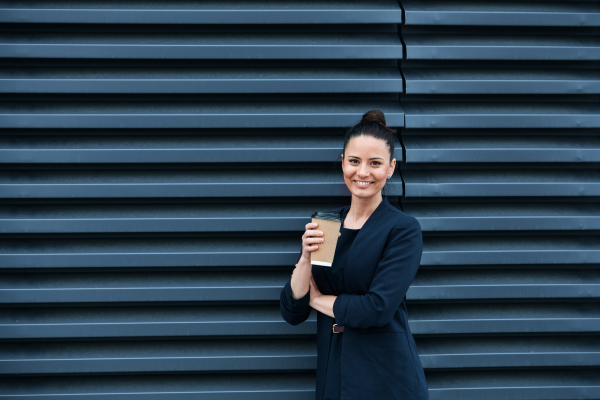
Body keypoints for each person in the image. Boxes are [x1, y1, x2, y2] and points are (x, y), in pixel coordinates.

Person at [280, 110, 429, 400]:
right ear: (343, 162)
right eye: (354, 161)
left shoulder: (402, 229)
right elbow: (293, 311)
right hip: (334, 373)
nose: (362, 173)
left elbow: (377, 308)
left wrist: (317, 300)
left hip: (386, 376)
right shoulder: (327, 224)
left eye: (375, 163)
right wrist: (305, 259)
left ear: (391, 167)